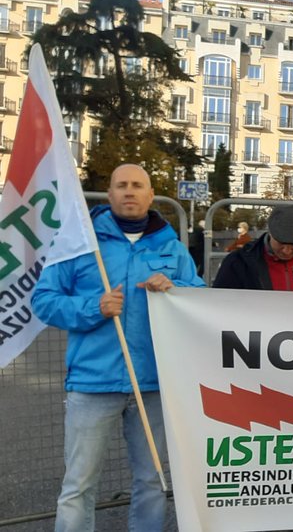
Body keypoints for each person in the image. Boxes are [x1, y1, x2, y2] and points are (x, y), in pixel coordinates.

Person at [32, 164, 206, 531]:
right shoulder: (80, 244)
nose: (129, 191)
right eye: (121, 185)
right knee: (79, 485)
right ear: (109, 195)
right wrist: (93, 307)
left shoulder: (171, 246)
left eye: (137, 185)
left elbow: (200, 298)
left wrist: (176, 287)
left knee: (151, 481)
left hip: (155, 383)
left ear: (150, 194)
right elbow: (44, 300)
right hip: (93, 383)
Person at [212, 205, 293, 292]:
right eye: (281, 243)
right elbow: (220, 306)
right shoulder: (237, 262)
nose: (286, 250)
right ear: (270, 233)